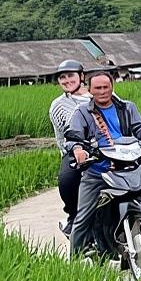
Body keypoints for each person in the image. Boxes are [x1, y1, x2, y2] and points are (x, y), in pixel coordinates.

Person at [65, 70, 141, 259]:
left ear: (112, 87)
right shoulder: (83, 112)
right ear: (89, 90)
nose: (102, 91)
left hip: (127, 166)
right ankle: (74, 261)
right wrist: (78, 149)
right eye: (98, 88)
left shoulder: (128, 108)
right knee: (83, 216)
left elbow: (140, 127)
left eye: (106, 87)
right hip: (98, 171)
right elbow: (74, 136)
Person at [48, 58, 91, 237]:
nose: (67, 80)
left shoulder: (100, 93)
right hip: (74, 149)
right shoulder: (59, 105)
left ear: (81, 76)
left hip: (110, 147)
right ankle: (74, 216)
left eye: (70, 76)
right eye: (62, 78)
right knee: (67, 179)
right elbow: (71, 128)